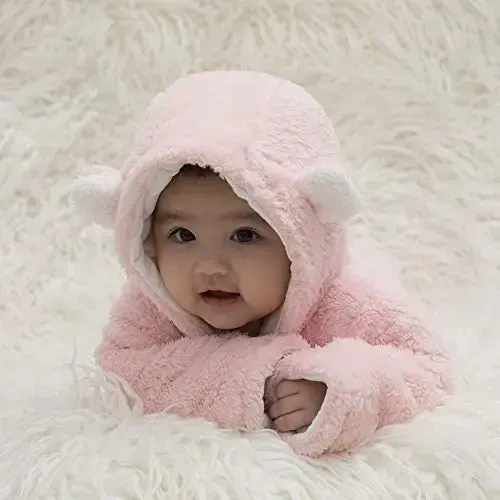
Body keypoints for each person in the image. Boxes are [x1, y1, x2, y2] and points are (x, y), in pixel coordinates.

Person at [71, 70, 453, 457]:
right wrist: (260, 378)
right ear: (147, 238)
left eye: (244, 236)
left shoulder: (348, 299)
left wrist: (339, 387)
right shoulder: (153, 302)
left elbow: (429, 368)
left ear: (299, 238)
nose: (210, 266)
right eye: (183, 235)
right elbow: (122, 369)